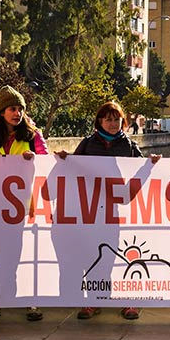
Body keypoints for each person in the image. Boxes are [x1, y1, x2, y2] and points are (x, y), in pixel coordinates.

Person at [58, 101, 160, 322]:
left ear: (123, 121)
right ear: (100, 121)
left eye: (116, 119)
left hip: (116, 214)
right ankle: (94, 302)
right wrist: (65, 158)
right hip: (91, 213)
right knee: (92, 256)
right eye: (108, 119)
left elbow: (141, 172)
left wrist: (152, 164)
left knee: (114, 257)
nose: (113, 123)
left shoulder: (129, 146)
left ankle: (122, 301)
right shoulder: (88, 144)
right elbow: (71, 169)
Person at [0, 86, 49, 322]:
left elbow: (47, 162)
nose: (17, 113)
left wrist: (34, 159)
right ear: (2, 111)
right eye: (12, 109)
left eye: (20, 109)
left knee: (25, 255)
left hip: (23, 209)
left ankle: (30, 302)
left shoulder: (33, 136)